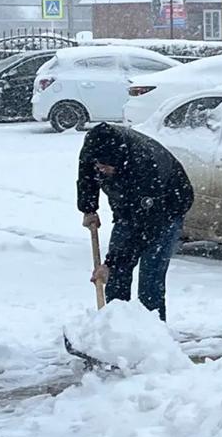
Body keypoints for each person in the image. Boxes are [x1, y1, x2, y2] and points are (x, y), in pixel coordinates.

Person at [77, 123, 193, 321]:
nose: (99, 169)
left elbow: (143, 230)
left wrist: (110, 264)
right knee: (116, 277)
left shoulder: (144, 167)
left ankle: (153, 336)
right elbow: (87, 175)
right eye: (97, 164)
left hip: (166, 209)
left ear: (119, 162)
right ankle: (115, 328)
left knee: (150, 279)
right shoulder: (95, 146)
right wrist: (88, 208)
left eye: (105, 166)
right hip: (129, 208)